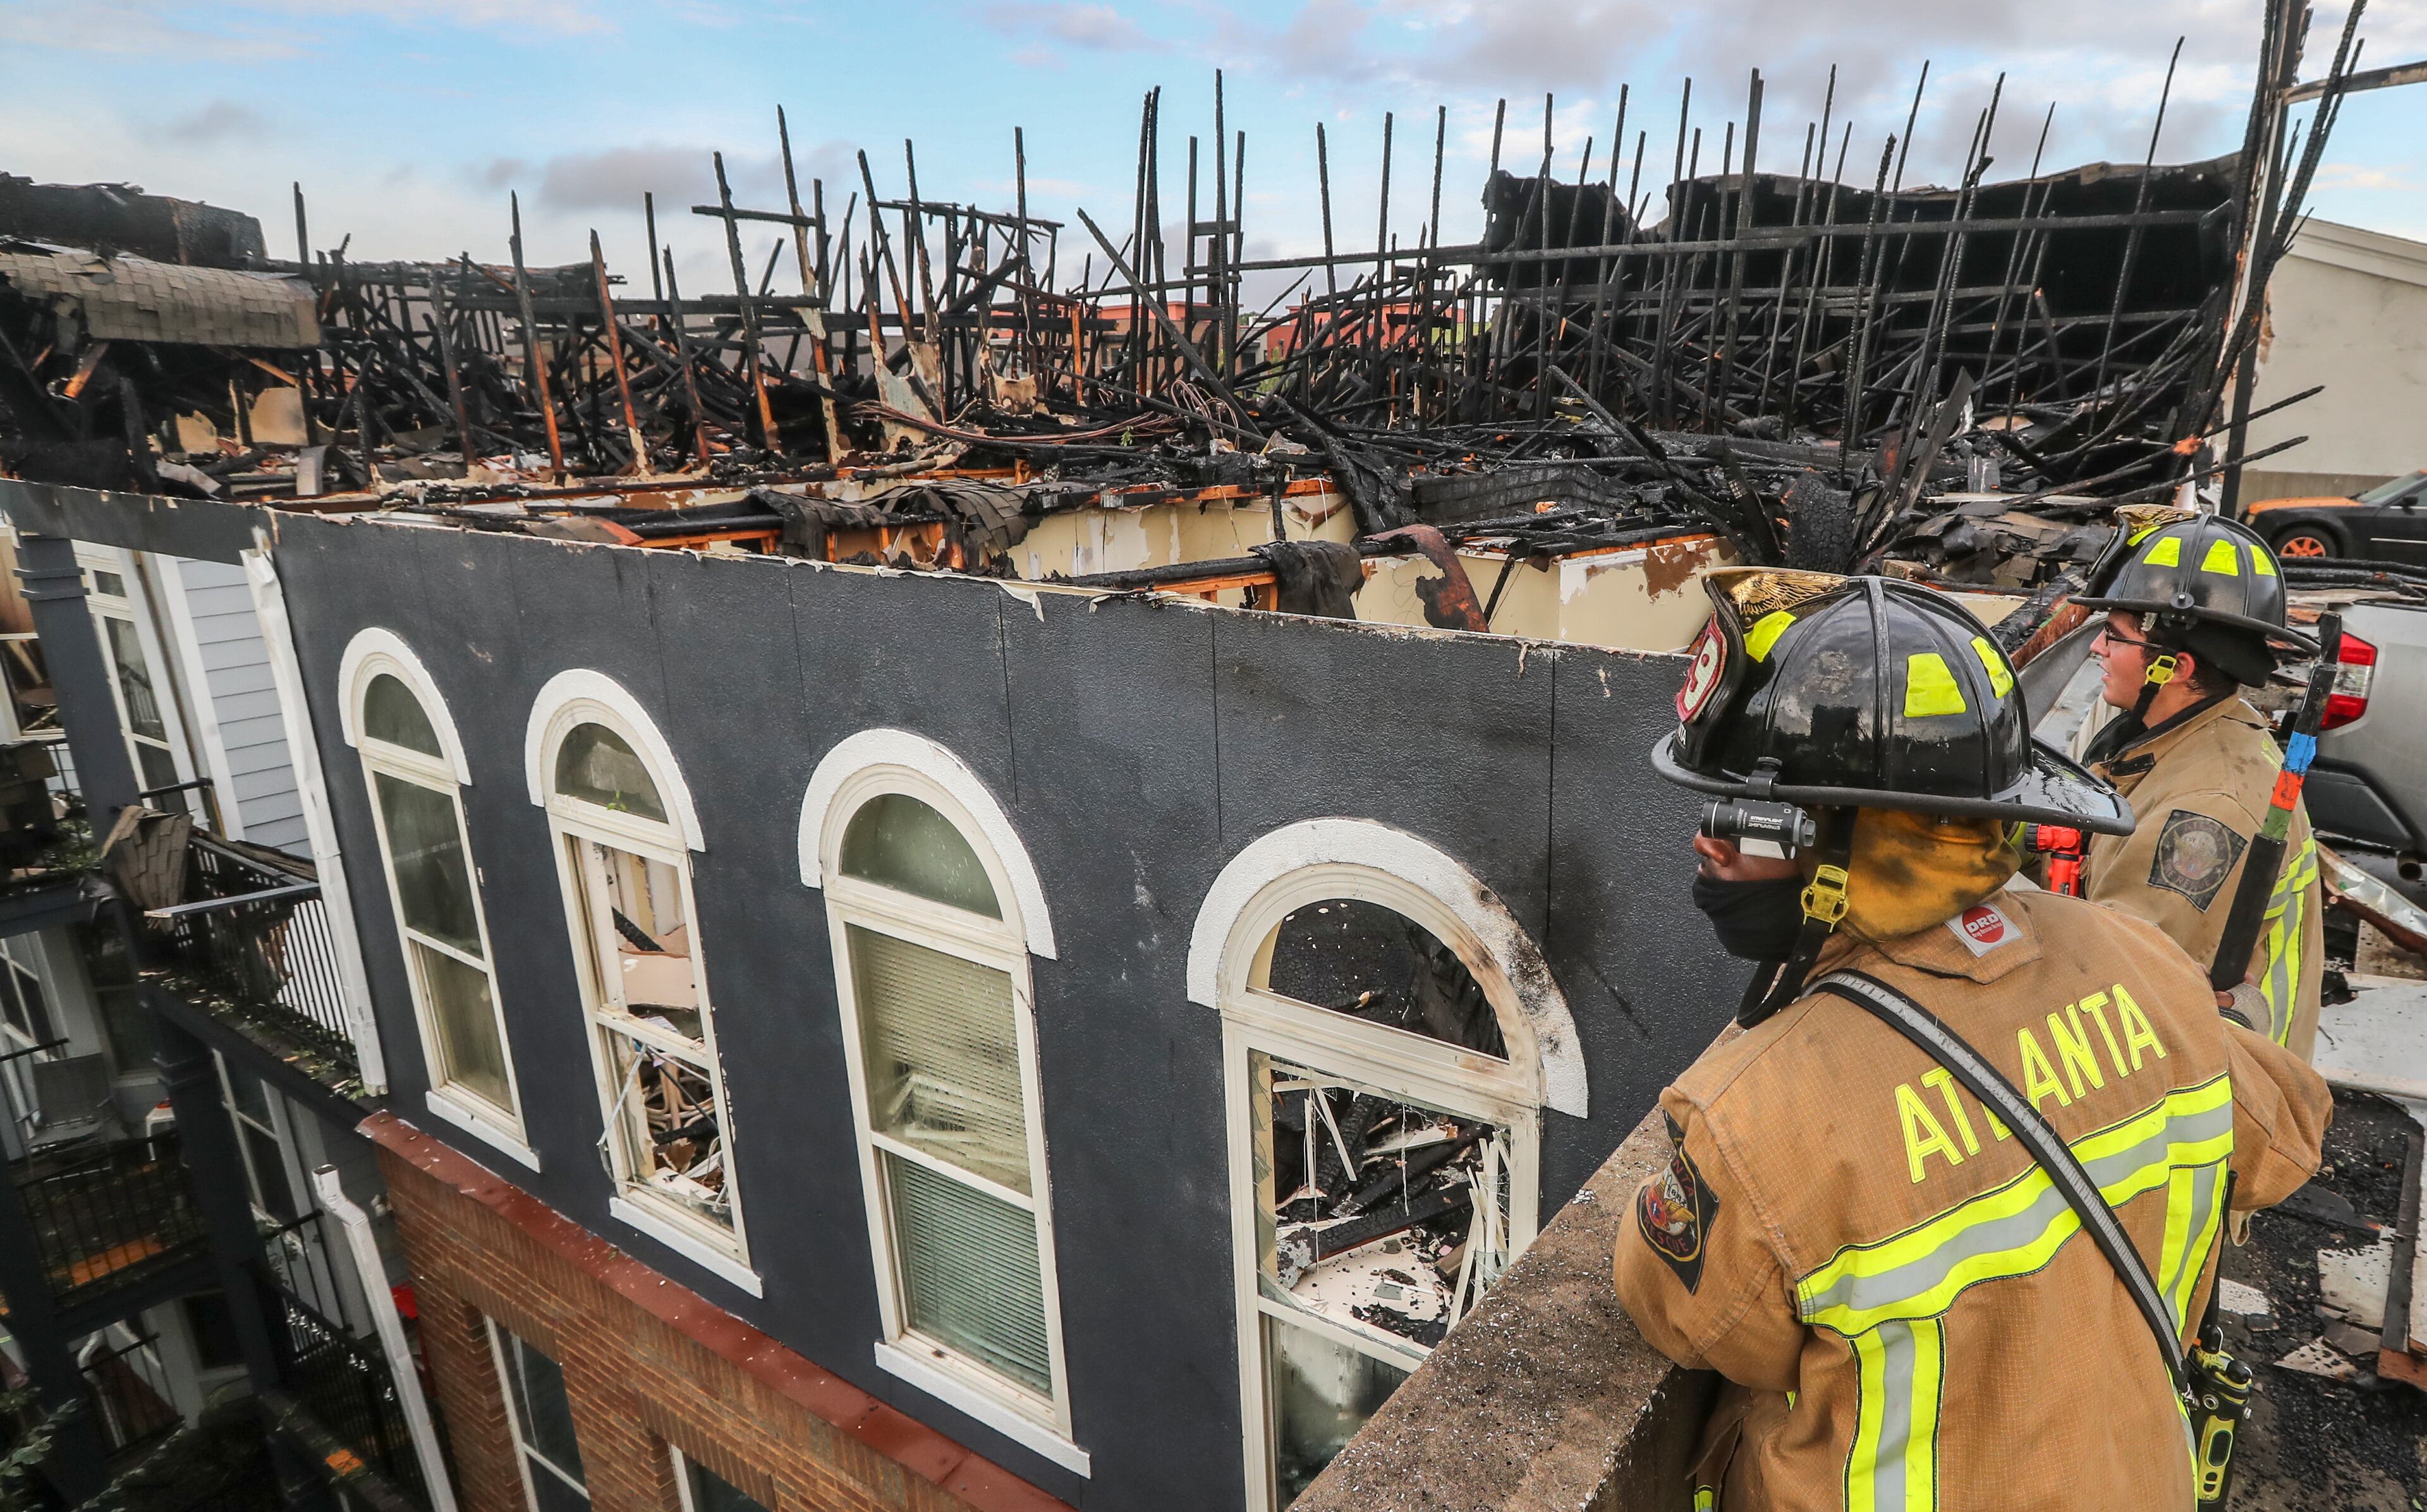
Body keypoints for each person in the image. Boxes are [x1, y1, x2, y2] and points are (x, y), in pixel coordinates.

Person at [1620, 568, 2331, 1511]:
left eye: (1741, 816)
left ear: (1856, 844)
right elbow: (2286, 1131)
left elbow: (1689, 1316)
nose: (1705, 845)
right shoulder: (2144, 962)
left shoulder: (1750, 1116)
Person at [2072, 510, 2326, 1058]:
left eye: (2112, 636)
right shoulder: (2188, 736)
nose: (2097, 649)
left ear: (2175, 667)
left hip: (2231, 1096)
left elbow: (2109, 982)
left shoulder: (2212, 809)